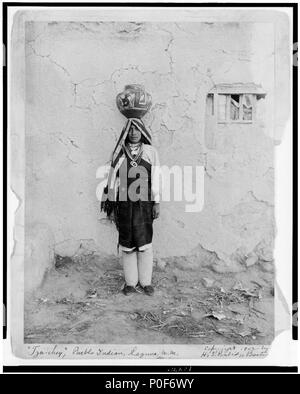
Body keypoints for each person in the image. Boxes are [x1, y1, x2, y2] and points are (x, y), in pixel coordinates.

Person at [101, 118, 160, 296]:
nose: (134, 133)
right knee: (127, 242)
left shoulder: (150, 152)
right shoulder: (119, 152)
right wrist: (111, 207)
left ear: (142, 131)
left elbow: (156, 176)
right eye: (131, 129)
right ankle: (130, 283)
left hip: (144, 203)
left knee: (144, 241)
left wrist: (156, 201)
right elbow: (112, 180)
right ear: (126, 132)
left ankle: (146, 282)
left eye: (137, 129)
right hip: (124, 203)